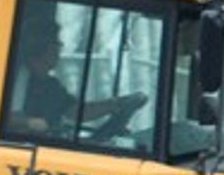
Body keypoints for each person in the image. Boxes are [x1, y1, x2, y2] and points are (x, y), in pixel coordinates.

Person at [10, 16, 144, 142]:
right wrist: (29, 123)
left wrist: (113, 105)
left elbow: (75, 111)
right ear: (42, 46)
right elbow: (4, 117)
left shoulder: (51, 85)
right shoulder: (18, 78)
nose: (59, 47)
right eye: (57, 43)